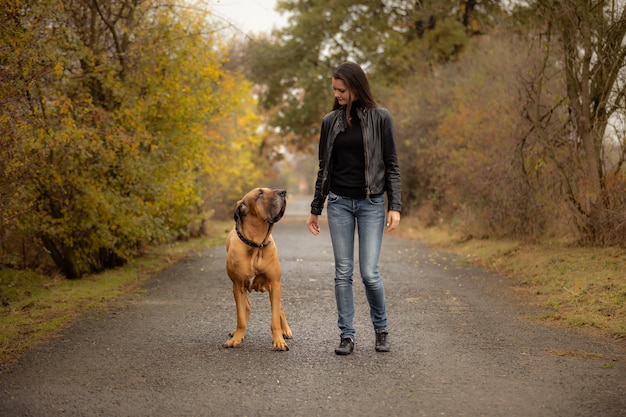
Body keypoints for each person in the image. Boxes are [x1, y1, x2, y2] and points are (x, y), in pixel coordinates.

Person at [306, 62, 402, 355]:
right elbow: (324, 167)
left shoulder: (381, 118)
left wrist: (394, 205)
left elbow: (392, 165)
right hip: (338, 204)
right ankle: (346, 335)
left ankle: (381, 329)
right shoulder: (329, 121)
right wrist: (316, 207)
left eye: (342, 90)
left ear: (356, 87)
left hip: (371, 203)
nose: (337, 95)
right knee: (343, 272)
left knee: (369, 273)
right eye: (334, 90)